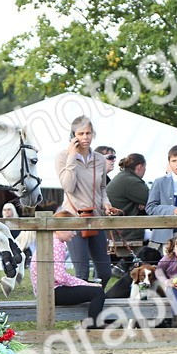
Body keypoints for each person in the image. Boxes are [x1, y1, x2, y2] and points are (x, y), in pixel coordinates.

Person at [56, 116, 113, 283]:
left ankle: (95, 302)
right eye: (81, 133)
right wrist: (72, 157)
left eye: (88, 133)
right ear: (73, 136)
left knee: (104, 272)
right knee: (81, 273)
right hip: (74, 218)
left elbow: (102, 189)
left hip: (96, 217)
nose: (85, 137)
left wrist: (106, 203)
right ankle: (81, 308)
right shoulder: (62, 157)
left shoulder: (100, 159)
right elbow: (68, 186)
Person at [31, 212, 107, 329]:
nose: (75, 233)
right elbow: (61, 277)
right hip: (52, 292)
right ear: (61, 229)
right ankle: (93, 327)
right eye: (72, 229)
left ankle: (91, 324)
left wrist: (86, 284)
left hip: (47, 290)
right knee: (97, 292)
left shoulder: (53, 241)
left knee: (92, 288)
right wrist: (87, 284)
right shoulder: (56, 245)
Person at [105, 153, 149, 254]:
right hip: (125, 232)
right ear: (140, 167)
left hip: (117, 230)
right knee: (159, 236)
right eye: (145, 167)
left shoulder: (124, 177)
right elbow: (153, 200)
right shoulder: (132, 182)